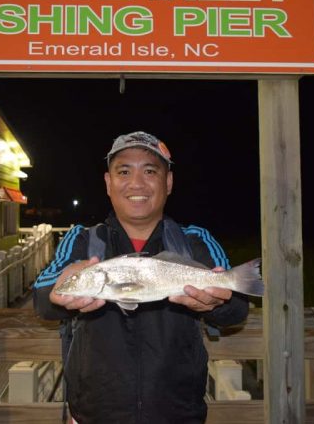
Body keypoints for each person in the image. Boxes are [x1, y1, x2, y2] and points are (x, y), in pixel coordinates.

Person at [33, 131, 249, 424]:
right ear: (108, 183)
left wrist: (214, 304)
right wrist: (60, 290)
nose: (136, 183)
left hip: (179, 415)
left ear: (168, 182)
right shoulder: (82, 240)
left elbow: (237, 308)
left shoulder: (195, 240)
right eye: (124, 171)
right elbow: (41, 298)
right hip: (93, 416)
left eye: (150, 171)